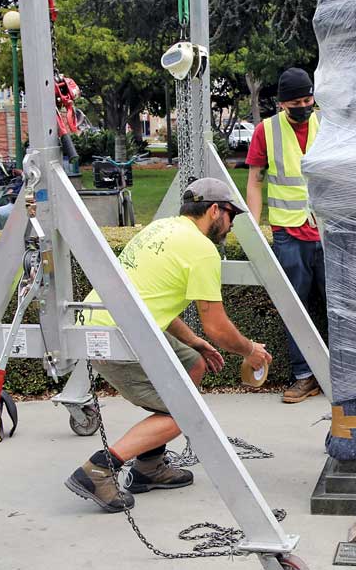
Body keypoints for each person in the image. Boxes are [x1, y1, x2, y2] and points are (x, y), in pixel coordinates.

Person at [65, 178, 273, 513]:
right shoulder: (203, 250)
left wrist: (194, 341)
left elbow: (146, 295)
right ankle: (99, 470)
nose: (232, 224)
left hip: (108, 324)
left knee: (193, 361)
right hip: (118, 337)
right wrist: (251, 351)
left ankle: (149, 467)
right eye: (231, 215)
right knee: (185, 412)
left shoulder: (159, 229)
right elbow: (218, 327)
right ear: (215, 210)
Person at [245, 67, 325, 404]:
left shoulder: (328, 125)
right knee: (296, 308)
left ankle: (342, 373)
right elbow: (255, 181)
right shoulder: (267, 131)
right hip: (288, 233)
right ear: (281, 104)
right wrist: (252, 227)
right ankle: (304, 376)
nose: (303, 107)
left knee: (339, 306)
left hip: (327, 230)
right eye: (296, 103)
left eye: (308, 100)